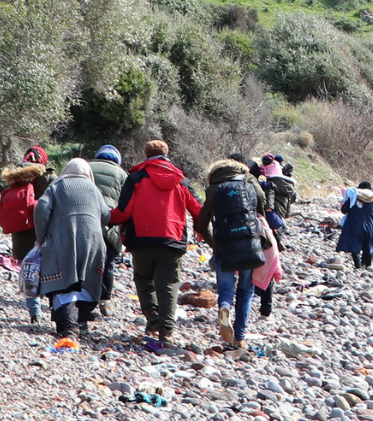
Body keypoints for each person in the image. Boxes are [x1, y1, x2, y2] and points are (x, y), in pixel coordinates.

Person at [108, 140, 201, 350]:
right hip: (172, 239)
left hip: (141, 239)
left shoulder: (136, 178)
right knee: (168, 285)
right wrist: (200, 228)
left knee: (143, 278)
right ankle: (166, 333)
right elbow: (198, 208)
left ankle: (151, 315)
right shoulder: (180, 180)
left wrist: (107, 218)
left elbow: (124, 212)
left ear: (146, 154)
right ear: (167, 154)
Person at [33, 158, 111, 340]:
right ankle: (81, 319)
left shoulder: (56, 186)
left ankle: (68, 324)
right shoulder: (93, 188)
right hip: (93, 240)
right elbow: (106, 216)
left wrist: (40, 238)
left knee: (63, 280)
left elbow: (41, 209)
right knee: (86, 278)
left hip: (62, 238)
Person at [199, 155, 272, 349]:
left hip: (224, 244)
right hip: (249, 243)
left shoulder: (213, 189)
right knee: (246, 289)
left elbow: (201, 224)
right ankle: (239, 337)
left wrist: (215, 244)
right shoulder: (249, 181)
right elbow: (262, 206)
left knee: (225, 287)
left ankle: (224, 307)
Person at [0, 146, 50, 324]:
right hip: (42, 233)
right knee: (50, 271)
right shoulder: (47, 177)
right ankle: (55, 307)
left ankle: (34, 312)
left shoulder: (15, 176)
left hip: (20, 236)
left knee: (29, 274)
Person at [88, 145, 128, 306]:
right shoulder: (122, 174)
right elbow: (126, 203)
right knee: (108, 263)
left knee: (85, 261)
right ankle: (105, 300)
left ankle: (85, 298)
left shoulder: (87, 167)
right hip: (111, 222)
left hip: (87, 221)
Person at [336, 183, 373, 269]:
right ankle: (368, 267)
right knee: (368, 248)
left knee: (355, 247)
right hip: (370, 226)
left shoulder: (353, 196)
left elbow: (344, 210)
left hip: (355, 226)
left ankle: (358, 267)